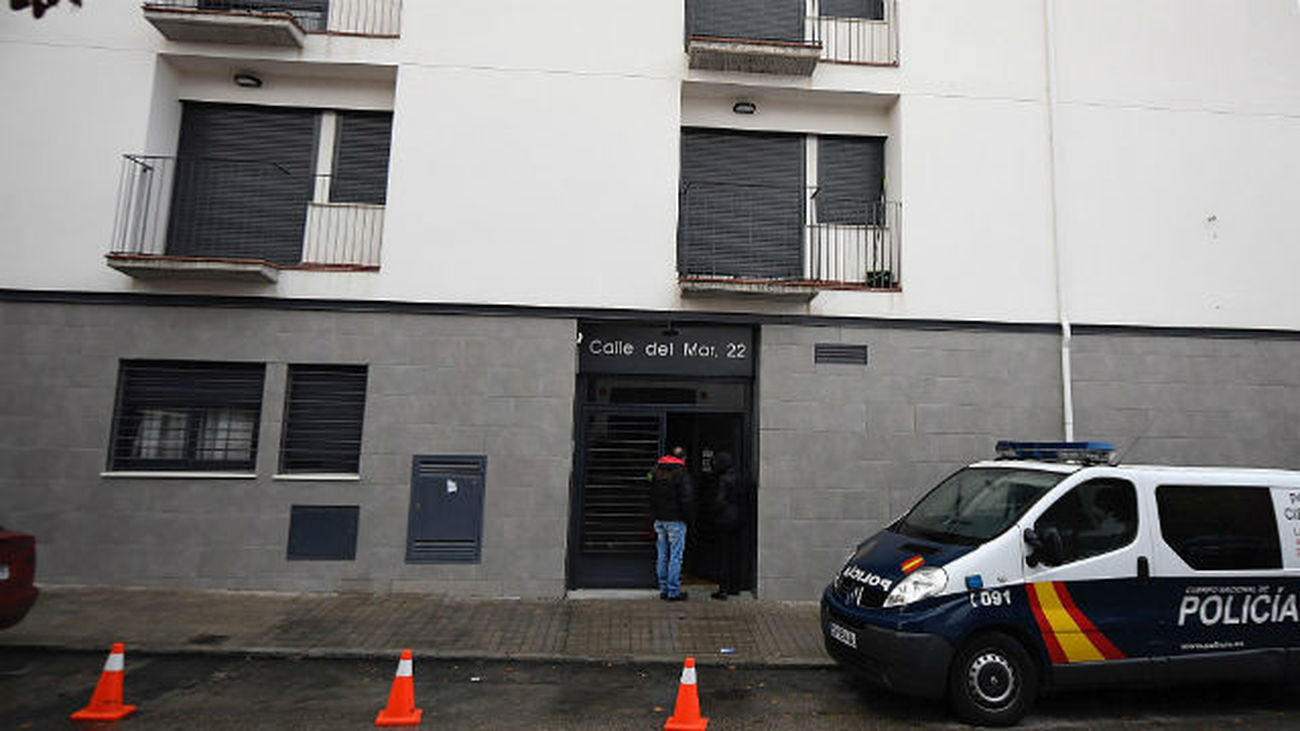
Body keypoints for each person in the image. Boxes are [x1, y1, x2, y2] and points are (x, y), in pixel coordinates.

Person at [650, 446, 695, 601]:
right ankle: (673, 591)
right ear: (683, 459)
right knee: (676, 556)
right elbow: (687, 499)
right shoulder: (682, 474)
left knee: (662, 554)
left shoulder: (656, 471)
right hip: (676, 520)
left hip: (659, 519)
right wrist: (689, 518)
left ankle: (663, 589)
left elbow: (650, 493)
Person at [709, 451, 742, 600]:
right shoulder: (738, 477)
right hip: (738, 518)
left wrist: (714, 510)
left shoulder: (723, 479)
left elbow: (719, 500)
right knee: (734, 553)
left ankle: (723, 589)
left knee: (723, 554)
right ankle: (735, 587)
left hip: (724, 519)